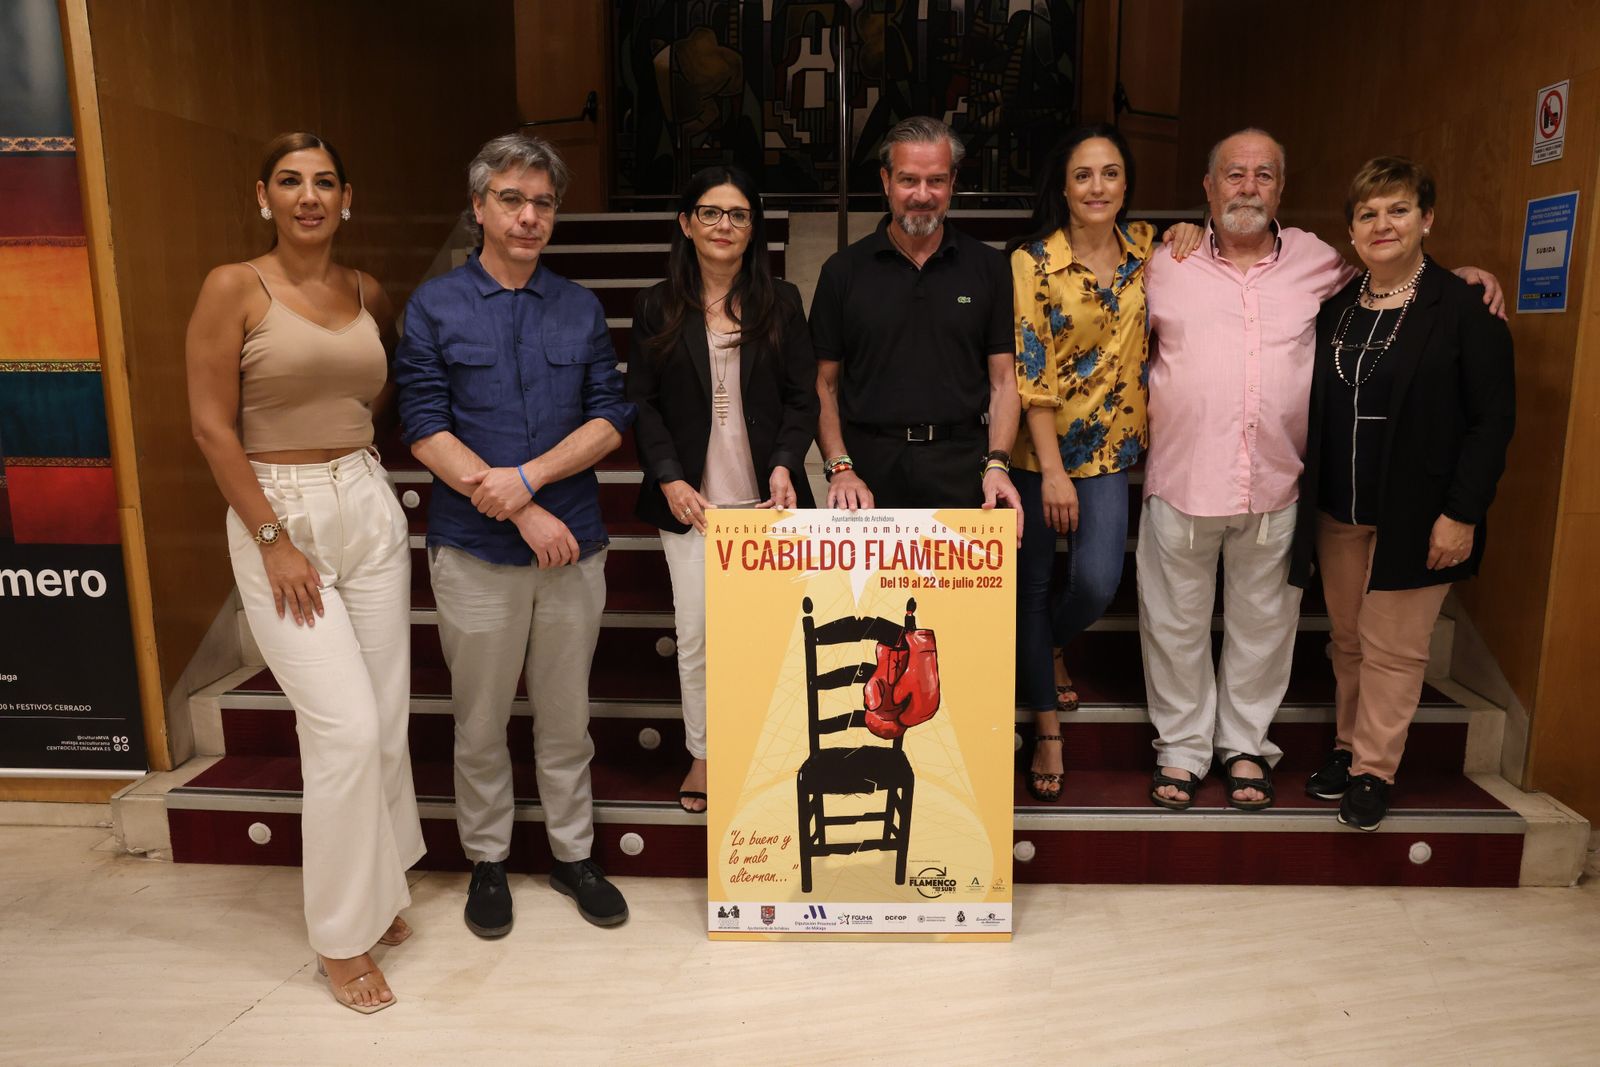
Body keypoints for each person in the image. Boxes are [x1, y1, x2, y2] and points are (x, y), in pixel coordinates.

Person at [1139, 129, 1504, 813]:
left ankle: (1245, 743)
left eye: (1265, 175)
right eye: (1235, 175)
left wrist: (1467, 278)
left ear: (1282, 189)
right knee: (1174, 623)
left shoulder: (1319, 262)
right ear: (1208, 188)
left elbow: (1400, 275)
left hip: (1280, 484)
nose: (1248, 187)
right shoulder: (1163, 259)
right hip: (1184, 480)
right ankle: (1183, 749)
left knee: (1265, 626)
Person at [186, 132, 418, 1014]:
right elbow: (212, 427)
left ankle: (382, 883)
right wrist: (274, 533)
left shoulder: (366, 291)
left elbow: (373, 391)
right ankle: (339, 935)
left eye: (324, 182)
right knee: (346, 728)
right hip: (276, 511)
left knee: (385, 717)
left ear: (347, 197)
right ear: (263, 195)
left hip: (363, 500)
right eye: (291, 181)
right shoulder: (231, 287)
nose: (309, 196)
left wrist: (352, 470)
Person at [394, 133, 636, 935]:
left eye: (542, 203)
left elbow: (610, 417)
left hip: (574, 547)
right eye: (512, 200)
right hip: (474, 549)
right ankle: (488, 859)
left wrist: (531, 482)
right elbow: (424, 426)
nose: (529, 216)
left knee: (567, 716)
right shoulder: (435, 306)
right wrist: (518, 506)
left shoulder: (579, 306)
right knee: (482, 717)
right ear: (479, 208)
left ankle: (573, 853)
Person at [1290, 157, 1514, 830]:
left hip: (1421, 516)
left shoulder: (1463, 308)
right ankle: (1345, 745)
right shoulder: (1334, 310)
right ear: (1351, 231)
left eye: (1397, 210)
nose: (1382, 224)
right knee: (1350, 642)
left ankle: (1373, 769)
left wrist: (1462, 513)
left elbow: (1492, 421)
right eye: (1367, 214)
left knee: (1394, 647)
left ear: (1426, 220)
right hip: (1340, 509)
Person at [1007, 125, 1203, 802]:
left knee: (1095, 582)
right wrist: (1053, 471)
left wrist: (1189, 232)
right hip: (1039, 455)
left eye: (1111, 174)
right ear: (1062, 185)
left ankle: (1044, 647)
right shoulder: (1031, 263)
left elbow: (1221, 250)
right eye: (1083, 174)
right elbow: (1032, 375)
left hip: (1113, 452)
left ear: (1127, 184)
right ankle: (1048, 727)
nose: (1097, 187)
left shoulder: (1150, 249)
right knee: (1031, 589)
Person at [628, 166, 819, 813]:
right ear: (686, 223)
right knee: (700, 635)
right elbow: (642, 406)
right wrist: (670, 477)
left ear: (752, 227)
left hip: (769, 501)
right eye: (710, 212)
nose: (723, 226)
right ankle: (705, 754)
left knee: (775, 635)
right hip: (693, 507)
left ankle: (776, 750)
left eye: (737, 214)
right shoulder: (657, 305)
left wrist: (787, 463)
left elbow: (801, 397)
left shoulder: (783, 301)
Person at [810, 116, 1021, 517]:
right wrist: (839, 468)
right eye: (908, 180)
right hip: (867, 475)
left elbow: (1004, 380)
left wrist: (997, 463)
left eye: (936, 180)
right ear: (886, 180)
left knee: (959, 584)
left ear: (953, 182)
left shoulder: (989, 267)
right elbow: (823, 383)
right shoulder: (842, 272)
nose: (922, 195)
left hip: (964, 471)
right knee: (869, 584)